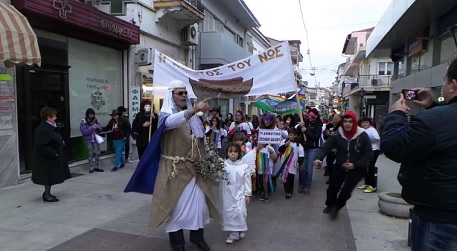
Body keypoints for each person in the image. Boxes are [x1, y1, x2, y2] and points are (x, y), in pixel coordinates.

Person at [380, 58, 457, 250]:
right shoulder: (440, 118)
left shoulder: (434, 121)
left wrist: (396, 115)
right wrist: (432, 106)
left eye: (444, 80)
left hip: (440, 221)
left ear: (453, 86)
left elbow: (392, 146)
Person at [139, 80, 218, 251]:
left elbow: (199, 139)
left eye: (185, 93)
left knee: (199, 207)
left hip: (195, 170)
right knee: (175, 208)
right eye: (179, 93)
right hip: (174, 171)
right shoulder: (166, 115)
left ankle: (198, 238)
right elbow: (172, 122)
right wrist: (195, 109)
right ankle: (178, 244)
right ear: (171, 95)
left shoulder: (195, 118)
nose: (183, 96)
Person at [313, 111, 372, 219]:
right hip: (340, 165)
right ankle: (330, 205)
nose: (347, 124)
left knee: (346, 191)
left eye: (350, 122)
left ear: (354, 123)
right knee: (332, 188)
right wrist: (318, 158)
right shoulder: (337, 134)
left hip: (356, 168)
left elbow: (368, 154)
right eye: (345, 121)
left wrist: (355, 165)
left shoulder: (362, 135)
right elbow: (325, 147)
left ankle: (338, 207)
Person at [32, 107, 71, 202]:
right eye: (54, 116)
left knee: (51, 176)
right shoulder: (42, 129)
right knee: (47, 177)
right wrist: (54, 153)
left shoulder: (51, 126)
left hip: (52, 157)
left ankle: (48, 193)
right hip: (46, 158)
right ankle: (47, 195)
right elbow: (42, 145)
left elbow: (55, 137)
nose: (55, 118)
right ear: (48, 117)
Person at [220, 143, 252, 244]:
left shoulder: (244, 166)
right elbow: (218, 177)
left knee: (240, 212)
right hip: (228, 194)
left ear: (239, 153)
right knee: (230, 213)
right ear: (227, 153)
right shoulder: (223, 165)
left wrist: (248, 194)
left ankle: (241, 228)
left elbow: (247, 181)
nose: (233, 154)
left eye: (235, 152)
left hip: (240, 194)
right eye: (230, 151)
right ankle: (234, 234)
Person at [297, 108, 323, 195]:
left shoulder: (318, 125)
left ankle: (307, 186)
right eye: (309, 116)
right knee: (301, 168)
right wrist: (300, 127)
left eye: (312, 116)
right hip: (303, 148)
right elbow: (297, 133)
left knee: (309, 169)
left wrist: (306, 131)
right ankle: (301, 184)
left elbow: (316, 137)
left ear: (316, 116)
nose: (310, 118)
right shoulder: (305, 122)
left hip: (312, 149)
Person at [277, 128, 304, 199]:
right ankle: (287, 191)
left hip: (292, 165)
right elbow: (280, 150)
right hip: (284, 164)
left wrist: (299, 162)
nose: (289, 136)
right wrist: (285, 145)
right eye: (289, 135)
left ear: (295, 136)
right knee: (285, 177)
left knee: (291, 178)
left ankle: (290, 189)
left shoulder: (298, 145)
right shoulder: (284, 141)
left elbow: (301, 155)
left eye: (291, 135)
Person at [357, 116, 380, 193]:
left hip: (374, 150)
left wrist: (367, 140)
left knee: (370, 168)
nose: (365, 124)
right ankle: (367, 183)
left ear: (369, 123)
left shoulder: (372, 130)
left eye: (366, 122)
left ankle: (372, 186)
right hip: (367, 151)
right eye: (363, 122)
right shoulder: (364, 130)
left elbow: (377, 138)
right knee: (366, 167)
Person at [80, 108, 104, 173]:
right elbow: (84, 132)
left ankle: (97, 166)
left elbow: (100, 129)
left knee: (97, 153)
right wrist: (91, 128)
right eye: (90, 114)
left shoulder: (95, 120)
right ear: (87, 114)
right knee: (90, 154)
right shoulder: (84, 122)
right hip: (88, 140)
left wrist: (99, 128)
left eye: (93, 114)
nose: (92, 116)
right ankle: (91, 167)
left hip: (96, 139)